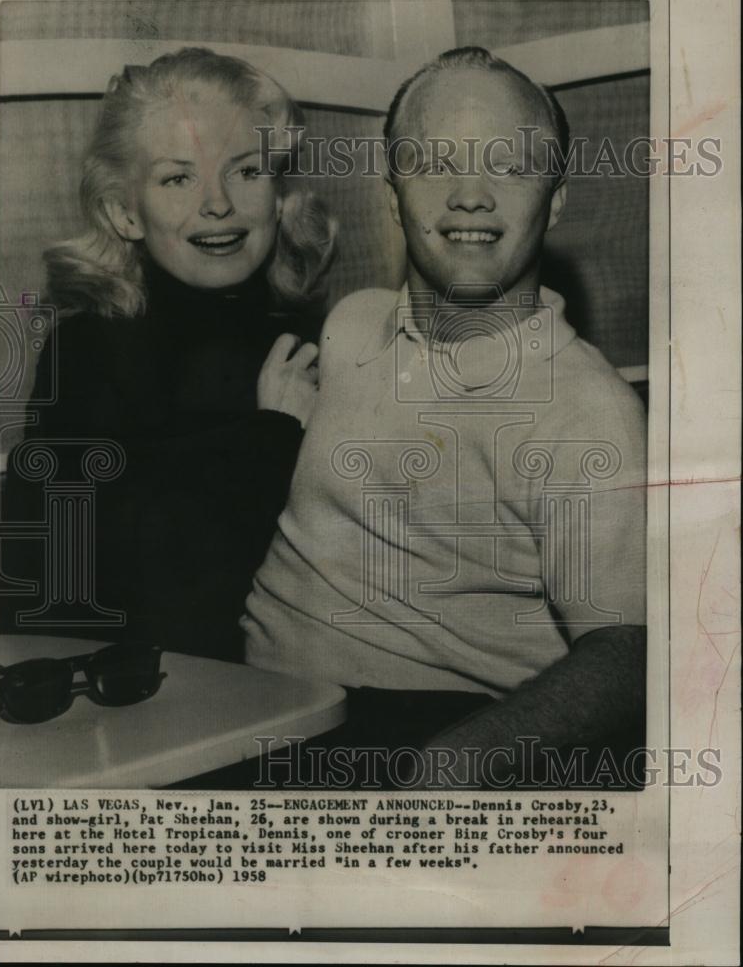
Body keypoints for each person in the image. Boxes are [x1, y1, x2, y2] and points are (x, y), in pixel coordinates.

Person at [240, 47, 646, 788]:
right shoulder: (352, 325)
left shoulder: (588, 412)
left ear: (554, 201)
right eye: (433, 162)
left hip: (412, 736)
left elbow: (628, 654)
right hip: (244, 711)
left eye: (510, 166)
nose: (470, 195)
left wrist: (449, 765)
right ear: (393, 198)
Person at [0, 47, 336, 661]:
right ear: (125, 212)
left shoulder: (308, 335)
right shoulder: (91, 348)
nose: (217, 204)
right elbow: (88, 582)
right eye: (178, 177)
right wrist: (270, 436)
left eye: (246, 171)